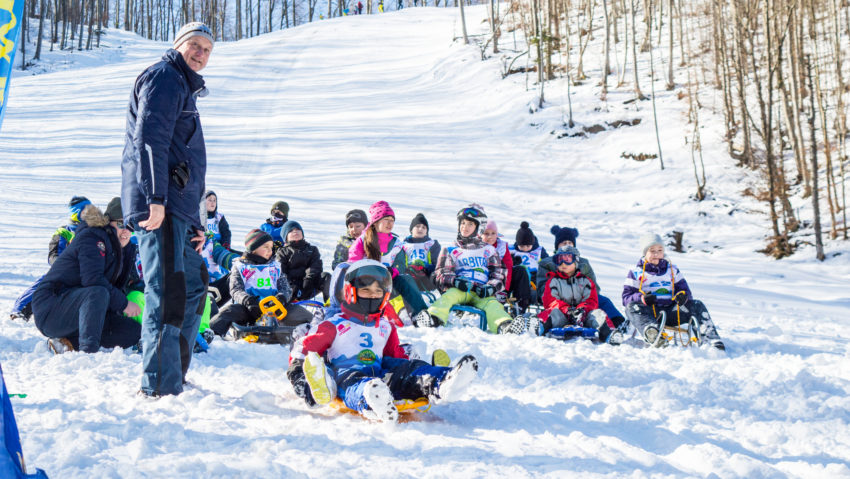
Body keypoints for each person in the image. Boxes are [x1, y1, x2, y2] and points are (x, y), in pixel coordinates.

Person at [121, 22, 214, 397]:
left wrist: (197, 220)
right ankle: (159, 383)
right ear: (178, 45)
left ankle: (173, 370)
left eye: (207, 49)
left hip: (179, 210)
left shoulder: (183, 86)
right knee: (168, 292)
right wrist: (155, 199)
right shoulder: (164, 78)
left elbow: (184, 157)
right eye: (195, 45)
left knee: (194, 285)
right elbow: (149, 141)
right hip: (160, 206)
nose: (201, 54)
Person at [286, 260, 478, 422]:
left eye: (378, 291)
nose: (373, 295)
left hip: (380, 372)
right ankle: (370, 397)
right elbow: (303, 349)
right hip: (347, 374)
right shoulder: (333, 324)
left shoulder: (385, 326)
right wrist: (298, 374)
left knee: (408, 369)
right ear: (351, 291)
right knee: (356, 384)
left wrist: (414, 364)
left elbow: (395, 356)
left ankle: (440, 381)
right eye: (366, 290)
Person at [32, 199, 141, 354]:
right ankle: (87, 352)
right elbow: (93, 280)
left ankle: (66, 343)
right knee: (98, 291)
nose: (126, 232)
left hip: (83, 309)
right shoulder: (93, 237)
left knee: (132, 331)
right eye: (121, 224)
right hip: (51, 308)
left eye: (131, 227)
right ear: (109, 222)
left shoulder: (124, 249)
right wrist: (123, 304)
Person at [622, 234, 724, 349]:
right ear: (645, 253)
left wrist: (682, 296)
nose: (656, 254)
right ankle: (654, 335)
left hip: (672, 311)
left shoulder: (672, 270)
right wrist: (642, 298)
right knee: (631, 307)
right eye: (652, 251)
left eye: (659, 250)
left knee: (696, 304)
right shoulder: (636, 273)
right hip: (650, 313)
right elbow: (626, 297)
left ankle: (710, 338)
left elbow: (685, 291)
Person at [425, 204, 512, 333]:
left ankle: (504, 326)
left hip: (481, 291)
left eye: (470, 224)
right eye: (463, 223)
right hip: (460, 289)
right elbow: (441, 272)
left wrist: (491, 287)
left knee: (494, 305)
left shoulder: (489, 250)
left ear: (478, 228)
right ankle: (433, 318)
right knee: (447, 298)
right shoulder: (451, 249)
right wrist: (455, 281)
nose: (465, 227)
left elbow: (499, 273)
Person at [209, 229, 312, 337]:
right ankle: (211, 334)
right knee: (227, 313)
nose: (270, 251)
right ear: (253, 249)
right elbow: (235, 289)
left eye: (271, 248)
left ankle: (317, 331)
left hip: (275, 308)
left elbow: (285, 287)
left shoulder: (275, 266)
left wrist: (282, 297)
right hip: (249, 308)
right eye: (265, 247)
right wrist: (247, 300)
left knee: (300, 313)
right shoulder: (241, 267)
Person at [348, 201, 430, 325]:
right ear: (376, 222)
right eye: (386, 219)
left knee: (406, 279)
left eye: (392, 220)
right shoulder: (363, 241)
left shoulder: (396, 243)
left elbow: (401, 266)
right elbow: (353, 264)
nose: (390, 223)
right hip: (365, 285)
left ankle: (420, 315)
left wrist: (393, 271)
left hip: (387, 284)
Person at [10, 196, 92, 320]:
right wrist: (63, 265)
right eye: (86, 211)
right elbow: (53, 255)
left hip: (90, 270)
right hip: (66, 270)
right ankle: (22, 308)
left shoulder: (95, 230)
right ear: (76, 213)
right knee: (48, 281)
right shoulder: (64, 232)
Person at [537, 225, 626, 331]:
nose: (567, 245)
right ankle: (539, 324)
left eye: (570, 243)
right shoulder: (547, 263)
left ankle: (618, 323)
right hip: (559, 299)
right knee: (553, 312)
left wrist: (583, 300)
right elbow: (543, 287)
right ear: (557, 245)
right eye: (564, 243)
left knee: (603, 300)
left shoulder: (583, 263)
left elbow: (593, 286)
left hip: (582, 298)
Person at [538, 246, 623, 344]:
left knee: (597, 314)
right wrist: (566, 310)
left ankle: (609, 334)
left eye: (567, 259)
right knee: (552, 313)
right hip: (562, 316)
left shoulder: (586, 281)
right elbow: (551, 300)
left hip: (583, 317)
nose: (563, 263)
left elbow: (591, 300)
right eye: (559, 260)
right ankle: (539, 327)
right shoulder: (553, 281)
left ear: (576, 261)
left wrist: (582, 310)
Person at [479, 219, 532, 313]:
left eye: (493, 233)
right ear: (480, 234)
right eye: (486, 233)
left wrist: (503, 290)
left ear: (497, 234)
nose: (490, 236)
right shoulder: (475, 246)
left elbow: (508, 268)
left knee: (520, 270)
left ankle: (520, 305)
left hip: (502, 281)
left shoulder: (502, 247)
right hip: (482, 280)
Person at [275, 220, 323, 302]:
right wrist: (291, 284)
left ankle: (330, 303)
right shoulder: (282, 252)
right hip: (291, 287)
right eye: (291, 231)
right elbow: (281, 271)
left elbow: (316, 266)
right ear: (285, 236)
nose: (295, 232)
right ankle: (289, 302)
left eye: (297, 229)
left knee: (326, 277)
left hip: (309, 284)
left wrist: (308, 280)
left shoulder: (312, 249)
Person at [509, 222, 549, 304]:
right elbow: (506, 262)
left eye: (528, 246)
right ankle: (520, 301)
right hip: (519, 278)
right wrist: (513, 261)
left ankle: (540, 300)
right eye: (522, 246)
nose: (525, 249)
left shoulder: (538, 251)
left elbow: (547, 263)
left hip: (534, 276)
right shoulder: (513, 250)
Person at [400, 213, 441, 290]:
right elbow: (400, 263)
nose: (420, 229)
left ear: (426, 231)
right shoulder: (403, 245)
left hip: (426, 275)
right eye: (417, 226)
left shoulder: (432, 244)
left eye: (424, 227)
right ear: (411, 229)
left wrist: (427, 268)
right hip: (409, 274)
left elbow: (437, 263)